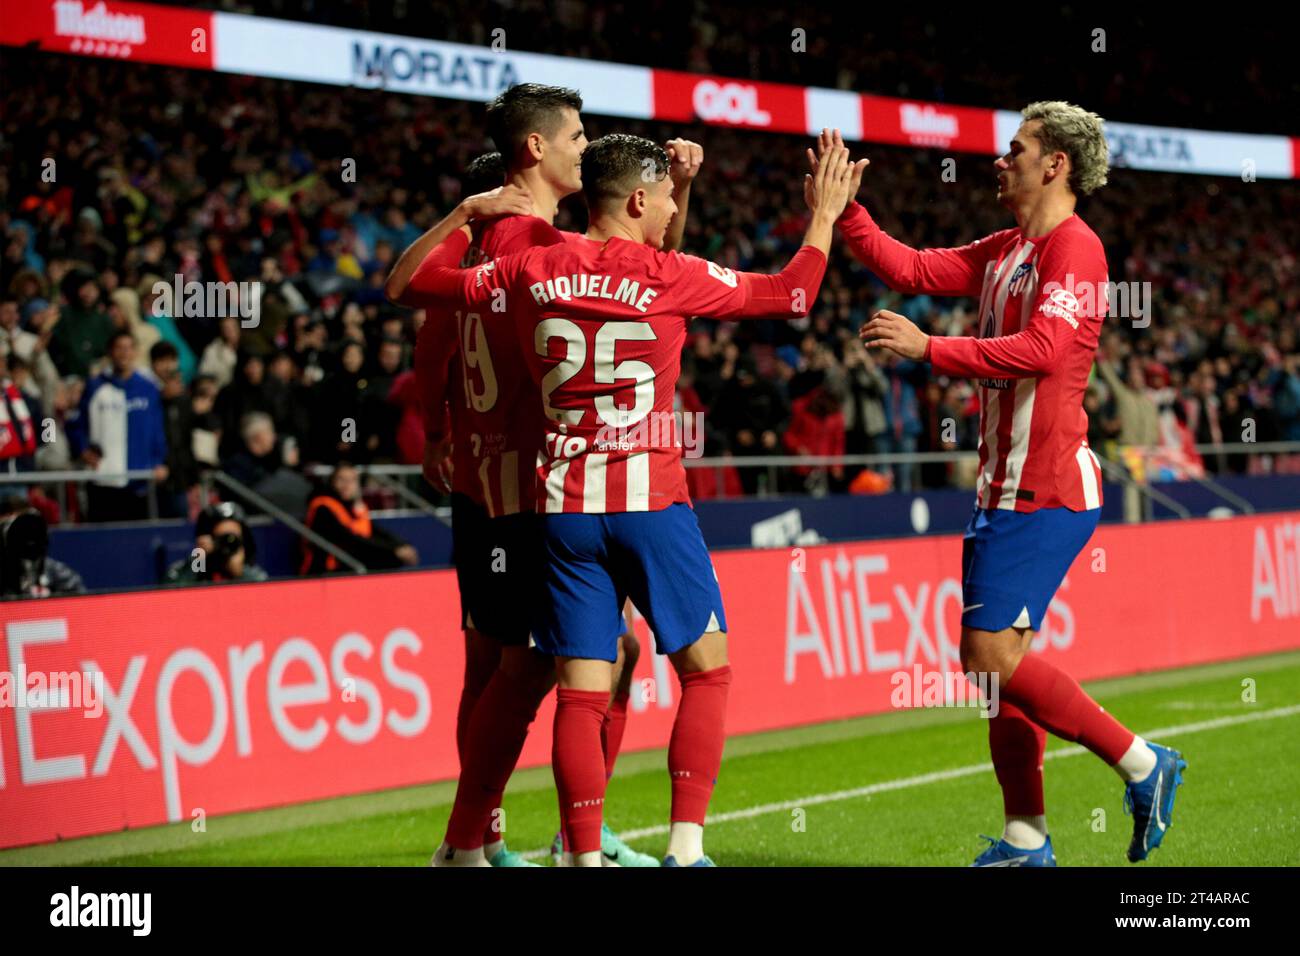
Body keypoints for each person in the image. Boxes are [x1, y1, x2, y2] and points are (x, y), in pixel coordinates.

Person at [405, 131, 860, 866]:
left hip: (564, 511)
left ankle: (580, 856)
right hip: (651, 504)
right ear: (642, 199)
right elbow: (795, 292)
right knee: (706, 671)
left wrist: (464, 215)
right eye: (670, 196)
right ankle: (685, 847)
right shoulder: (667, 274)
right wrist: (824, 216)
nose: (676, 205)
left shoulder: (529, 267)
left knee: (578, 693)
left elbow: (413, 284)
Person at [831, 103, 1186, 866]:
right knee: (1004, 675)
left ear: (1055, 163)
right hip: (1003, 487)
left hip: (1046, 486)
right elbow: (916, 267)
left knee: (986, 658)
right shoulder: (1009, 247)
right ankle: (1027, 838)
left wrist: (930, 347)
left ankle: (1144, 764)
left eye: (1015, 149)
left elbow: (1045, 349)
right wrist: (844, 214)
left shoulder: (1076, 250)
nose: (1001, 159)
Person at [389, 85, 697, 867]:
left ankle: (499, 838)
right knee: (541, 664)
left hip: (486, 482)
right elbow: (651, 285)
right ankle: (519, 841)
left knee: (503, 663)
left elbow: (428, 327)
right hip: (543, 484)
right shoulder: (533, 241)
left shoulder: (493, 241)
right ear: (536, 149)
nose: (584, 146)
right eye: (576, 135)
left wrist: (440, 428)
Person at [66, 330, 168, 521]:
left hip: (139, 480)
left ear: (136, 352)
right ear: (110, 352)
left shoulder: (149, 389)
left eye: (129, 348)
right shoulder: (95, 386)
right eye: (119, 348)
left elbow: (158, 432)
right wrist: (82, 449)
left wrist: (158, 461)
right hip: (103, 481)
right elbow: (75, 424)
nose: (124, 354)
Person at [301, 462, 417, 573]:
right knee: (388, 558)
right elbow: (349, 539)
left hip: (349, 563)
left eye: (352, 480)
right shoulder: (323, 507)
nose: (347, 485)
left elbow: (375, 531)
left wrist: (401, 545)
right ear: (332, 482)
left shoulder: (353, 507)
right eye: (341, 479)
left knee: (393, 559)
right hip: (325, 570)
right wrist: (393, 550)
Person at [164, 500, 269, 584]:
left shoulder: (253, 574)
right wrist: (198, 560)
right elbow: (171, 594)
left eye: (234, 538)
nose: (228, 543)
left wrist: (240, 573)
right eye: (222, 538)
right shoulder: (185, 571)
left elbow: (263, 594)